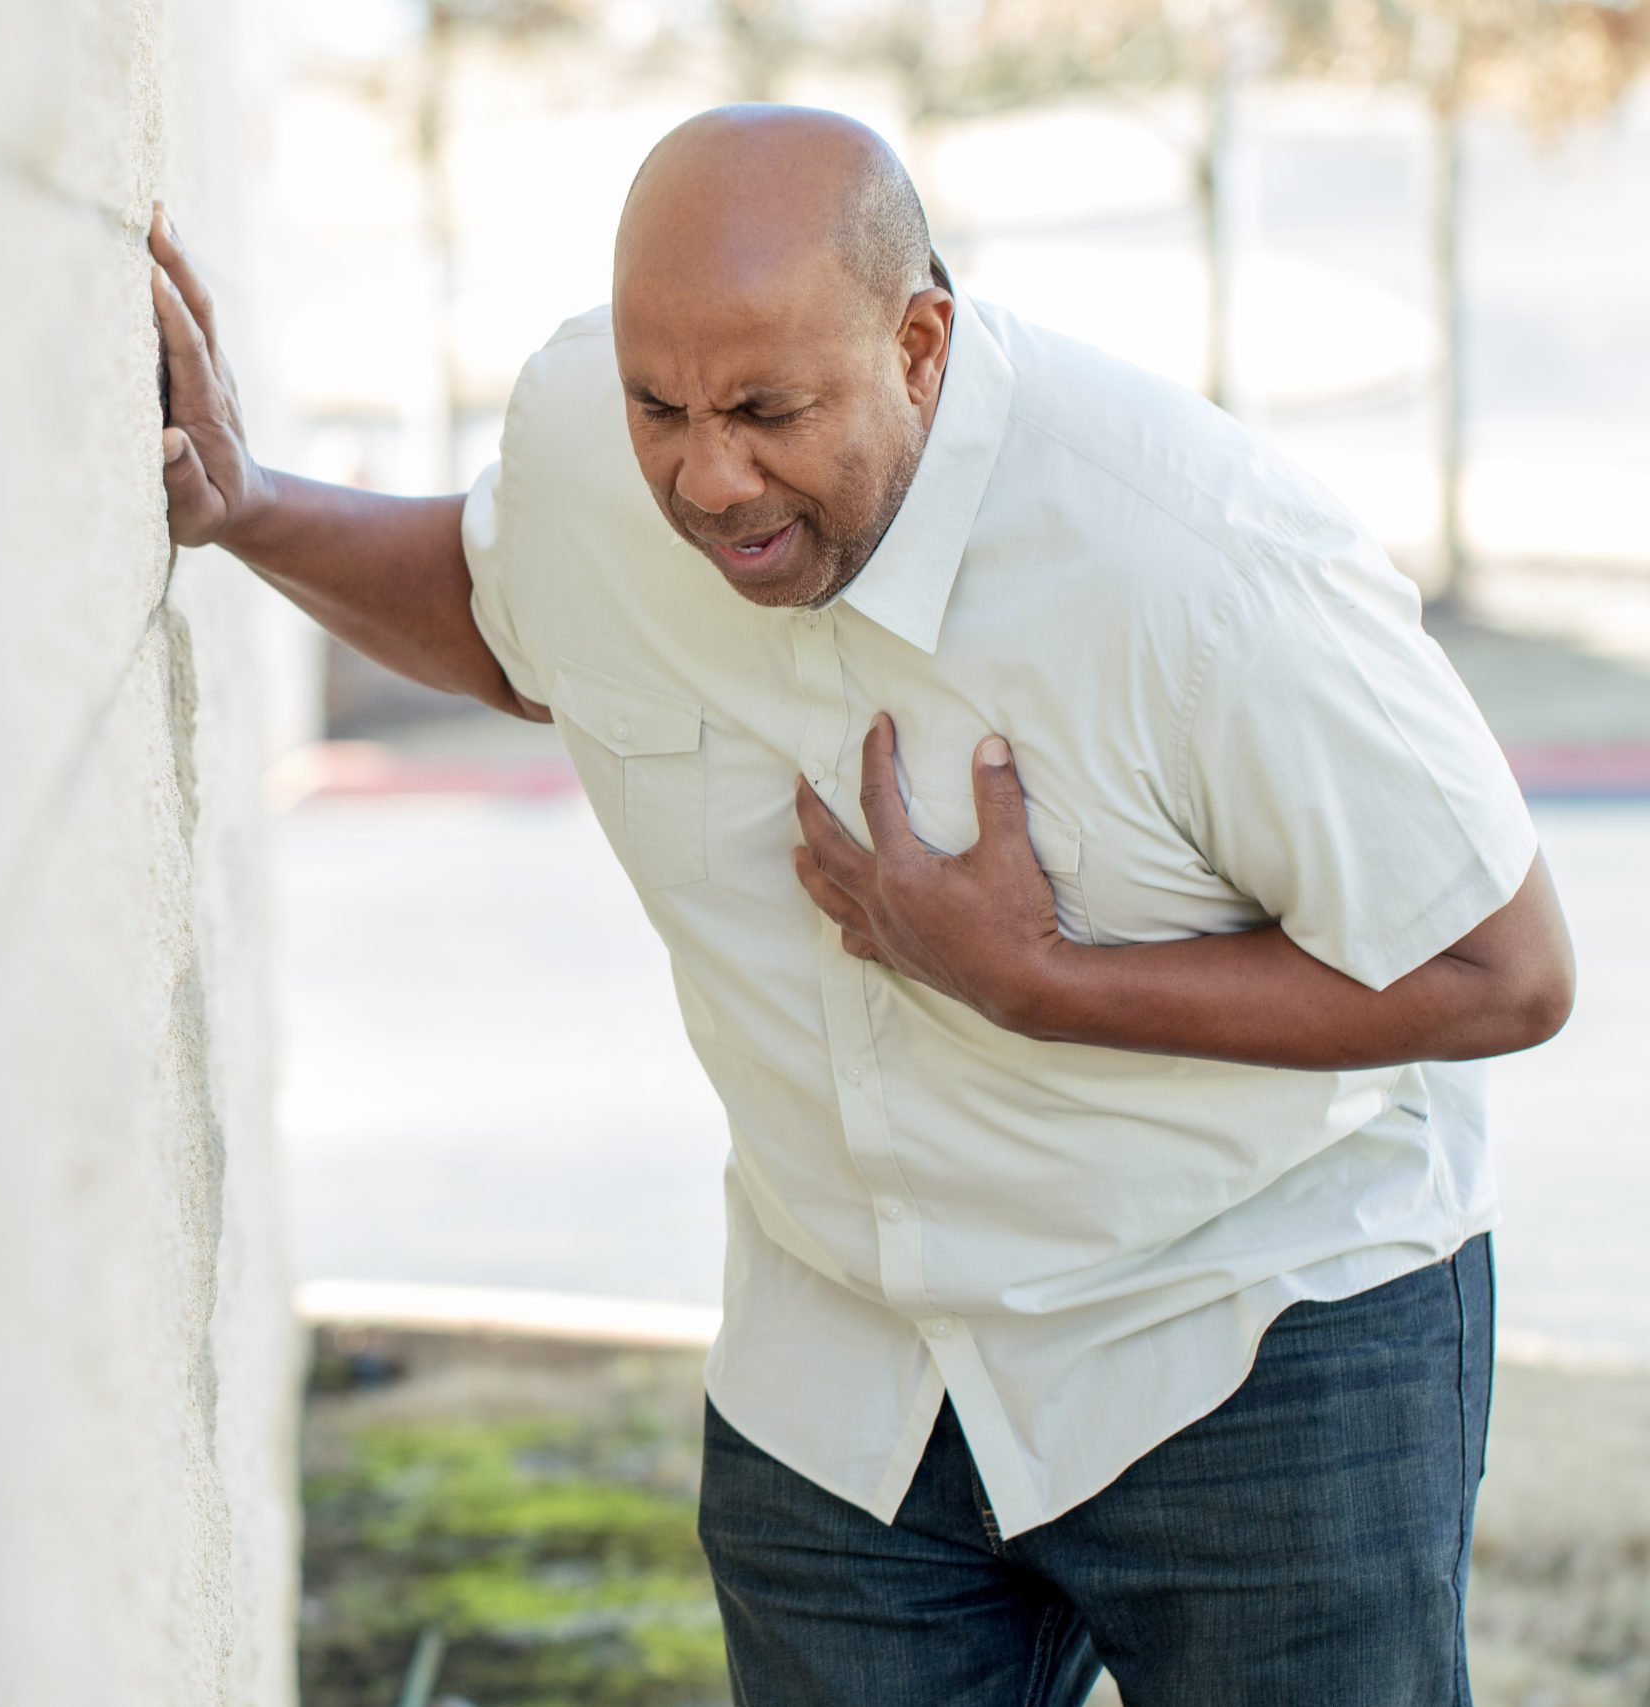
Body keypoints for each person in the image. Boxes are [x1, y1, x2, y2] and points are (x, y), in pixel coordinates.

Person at [150, 106, 1576, 1705]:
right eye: (659, 404)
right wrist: (247, 505)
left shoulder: (1209, 570)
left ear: (919, 343)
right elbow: (513, 621)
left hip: (1252, 1334)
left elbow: (1505, 972)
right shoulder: (584, 451)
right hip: (846, 1381)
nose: (706, 473)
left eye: (768, 410)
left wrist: (1041, 982)